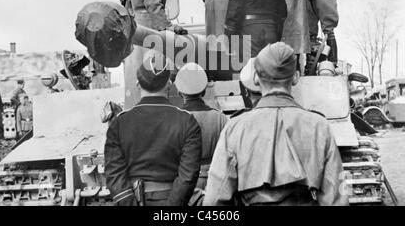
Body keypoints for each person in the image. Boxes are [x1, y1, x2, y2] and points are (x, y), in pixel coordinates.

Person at [204, 42, 349, 206]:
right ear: (295, 77)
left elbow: (214, 199)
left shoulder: (235, 127)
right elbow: (337, 199)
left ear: (256, 79)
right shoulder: (319, 126)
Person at [105, 54, 202, 206]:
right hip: (172, 201)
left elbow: (113, 172)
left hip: (132, 200)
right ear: (169, 84)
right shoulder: (187, 121)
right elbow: (188, 175)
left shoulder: (119, 123)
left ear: (138, 84)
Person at [174, 62, 228, 201]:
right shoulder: (221, 118)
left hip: (185, 182)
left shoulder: (174, 119)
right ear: (204, 90)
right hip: (216, 181)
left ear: (179, 91)